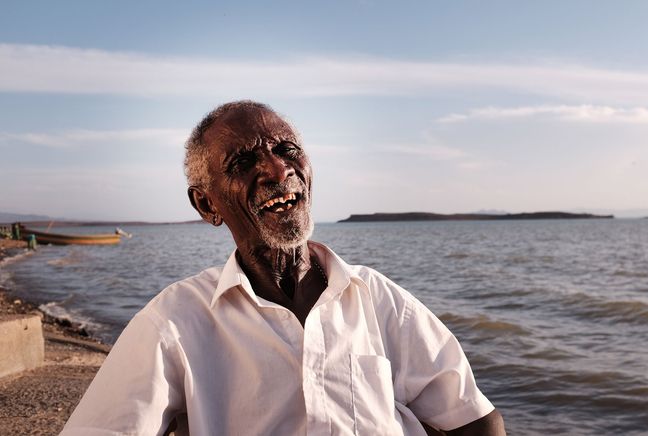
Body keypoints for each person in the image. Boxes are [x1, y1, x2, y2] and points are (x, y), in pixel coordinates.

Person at [61, 101, 505, 435]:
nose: (277, 169)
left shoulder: (378, 298)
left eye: (287, 149)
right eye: (243, 162)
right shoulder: (174, 323)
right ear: (206, 204)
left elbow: (475, 420)